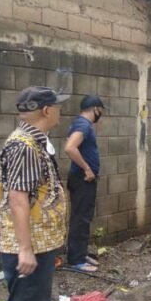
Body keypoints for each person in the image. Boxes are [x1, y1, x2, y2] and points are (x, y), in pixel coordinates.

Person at [0, 86, 71, 301]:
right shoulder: (24, 146)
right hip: (31, 245)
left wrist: (5, 223)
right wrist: (24, 247)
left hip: (37, 239)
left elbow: (13, 192)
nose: (60, 111)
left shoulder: (31, 142)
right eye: (57, 106)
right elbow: (17, 197)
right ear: (46, 111)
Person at [63, 94, 105, 273]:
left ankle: (81, 253)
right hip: (82, 179)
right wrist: (87, 169)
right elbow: (69, 148)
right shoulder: (83, 125)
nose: (101, 114)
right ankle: (76, 260)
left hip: (82, 179)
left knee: (83, 217)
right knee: (80, 218)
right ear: (95, 109)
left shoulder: (79, 123)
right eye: (101, 110)